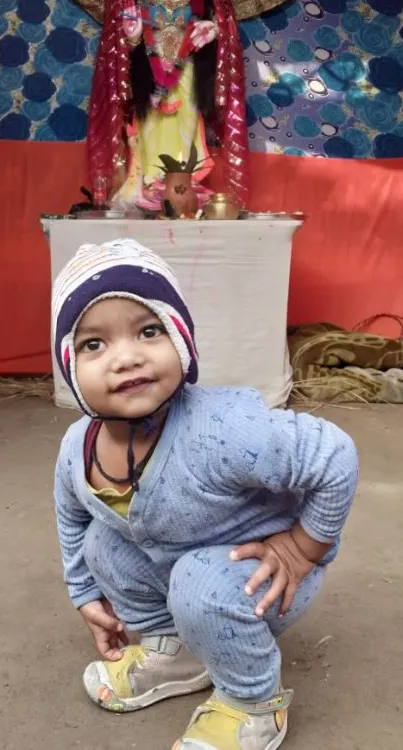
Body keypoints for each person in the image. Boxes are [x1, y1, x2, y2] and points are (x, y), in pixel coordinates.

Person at [53, 238, 358, 750]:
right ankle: (182, 654)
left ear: (181, 340)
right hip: (176, 559)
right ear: (68, 367)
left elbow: (335, 456)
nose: (126, 357)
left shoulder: (222, 430)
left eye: (148, 330)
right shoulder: (75, 447)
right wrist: (84, 594)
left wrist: (304, 548)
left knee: (199, 583)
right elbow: (71, 518)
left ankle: (253, 702)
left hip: (262, 573)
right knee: (101, 545)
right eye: (93, 344)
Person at [88, 0, 249, 212]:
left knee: (186, 125)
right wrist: (133, 36)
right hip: (149, 75)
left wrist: (213, 30)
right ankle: (150, 185)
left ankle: (184, 184)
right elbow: (126, 44)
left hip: (186, 73)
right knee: (150, 128)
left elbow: (219, 30)